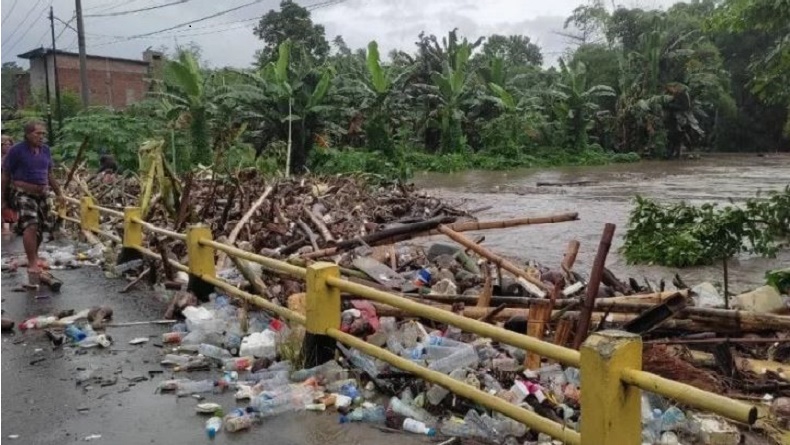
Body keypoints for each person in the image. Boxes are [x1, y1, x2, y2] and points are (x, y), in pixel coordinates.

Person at [1, 121, 64, 288]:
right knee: (31, 224)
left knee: (42, 227)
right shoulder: (16, 151)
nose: (41, 137)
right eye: (38, 133)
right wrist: (3, 199)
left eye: (43, 134)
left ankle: (33, 256)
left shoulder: (45, 150)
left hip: (42, 193)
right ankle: (32, 263)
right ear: (28, 134)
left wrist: (59, 193)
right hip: (22, 192)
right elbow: (6, 175)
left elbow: (49, 174)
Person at [1, 134, 18, 234]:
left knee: (11, 205)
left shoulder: (13, 158)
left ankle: (9, 226)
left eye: (9, 144)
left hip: (11, 185)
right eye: (5, 144)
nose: (8, 146)